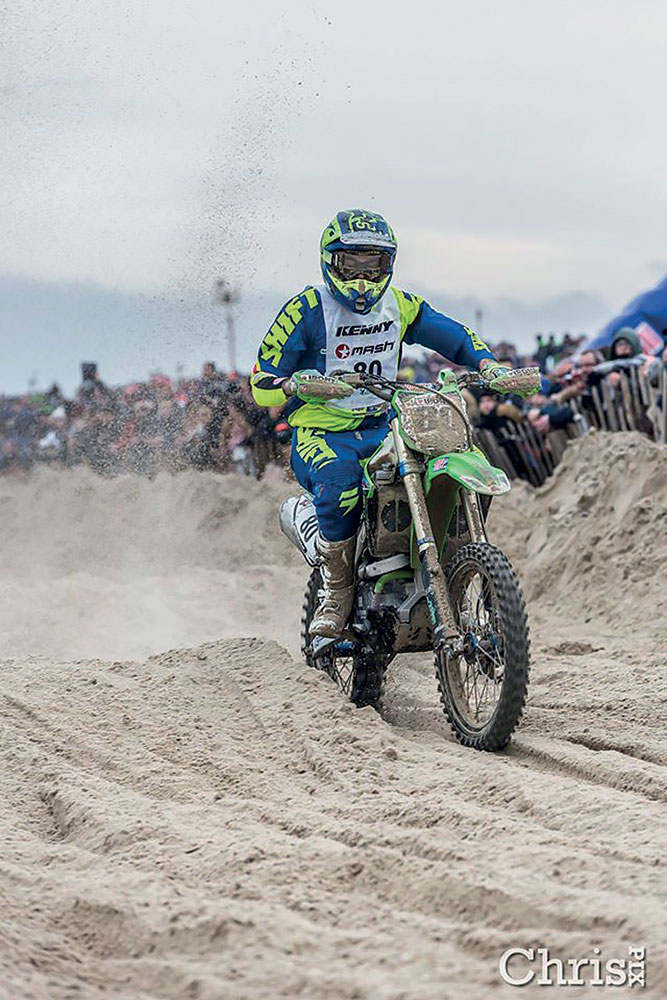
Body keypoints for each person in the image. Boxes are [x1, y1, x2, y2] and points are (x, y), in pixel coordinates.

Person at [250, 209, 535, 638]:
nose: (363, 280)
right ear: (331, 262)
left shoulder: (399, 304)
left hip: (387, 424)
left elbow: (454, 336)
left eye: (375, 265)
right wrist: (295, 385)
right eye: (353, 264)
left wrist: (490, 366)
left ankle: (451, 563)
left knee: (442, 457)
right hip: (323, 432)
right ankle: (338, 587)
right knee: (340, 482)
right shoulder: (306, 310)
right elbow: (259, 383)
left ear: (390, 264)